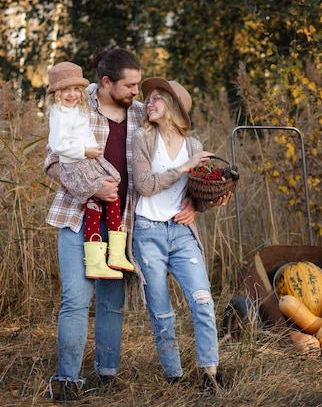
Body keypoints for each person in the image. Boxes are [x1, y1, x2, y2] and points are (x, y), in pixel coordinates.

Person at [44, 48, 197, 401]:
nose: (135, 92)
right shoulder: (78, 107)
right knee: (76, 299)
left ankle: (107, 374)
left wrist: (193, 197)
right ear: (106, 82)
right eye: (129, 85)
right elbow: (53, 161)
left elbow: (176, 151)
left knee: (112, 300)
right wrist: (92, 186)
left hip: (122, 223)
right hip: (78, 217)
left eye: (137, 85)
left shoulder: (143, 115)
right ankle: (67, 380)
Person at [130, 77, 224, 392]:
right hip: (148, 231)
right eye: (149, 98)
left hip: (182, 232)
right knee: (161, 310)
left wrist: (200, 203)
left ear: (174, 108)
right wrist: (184, 168)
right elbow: (144, 185)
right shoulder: (141, 138)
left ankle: (210, 374)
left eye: (157, 98)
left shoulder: (193, 146)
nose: (149, 103)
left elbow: (202, 191)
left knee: (202, 300)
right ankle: (174, 375)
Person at [46, 61, 133, 280]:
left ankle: (110, 257)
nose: (72, 94)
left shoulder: (77, 108)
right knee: (108, 197)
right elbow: (57, 146)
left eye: (76, 89)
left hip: (86, 159)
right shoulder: (59, 113)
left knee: (99, 202)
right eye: (65, 89)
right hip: (77, 162)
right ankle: (105, 258)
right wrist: (85, 151)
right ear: (56, 92)